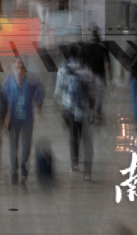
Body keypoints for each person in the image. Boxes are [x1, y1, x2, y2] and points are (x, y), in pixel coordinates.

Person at [54, 46, 94, 180]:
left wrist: (57, 105)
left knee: (73, 136)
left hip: (69, 109)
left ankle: (74, 165)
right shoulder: (87, 71)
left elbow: (57, 91)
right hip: (83, 110)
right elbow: (92, 91)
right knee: (85, 138)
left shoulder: (63, 71)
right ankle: (87, 171)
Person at [3, 60, 43, 185]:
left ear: (25, 68)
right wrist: (5, 117)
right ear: (13, 67)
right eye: (18, 63)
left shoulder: (31, 81)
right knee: (12, 146)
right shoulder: (8, 81)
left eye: (22, 64)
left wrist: (39, 103)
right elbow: (3, 99)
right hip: (13, 119)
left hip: (27, 118)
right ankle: (14, 171)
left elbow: (40, 91)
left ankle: (24, 166)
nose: (20, 65)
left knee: (26, 144)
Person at [81, 27, 112, 122]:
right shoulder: (103, 49)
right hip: (100, 74)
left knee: (90, 95)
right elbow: (108, 63)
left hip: (88, 75)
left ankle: (91, 114)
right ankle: (97, 113)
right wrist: (110, 75)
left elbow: (81, 63)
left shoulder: (84, 48)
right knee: (99, 95)